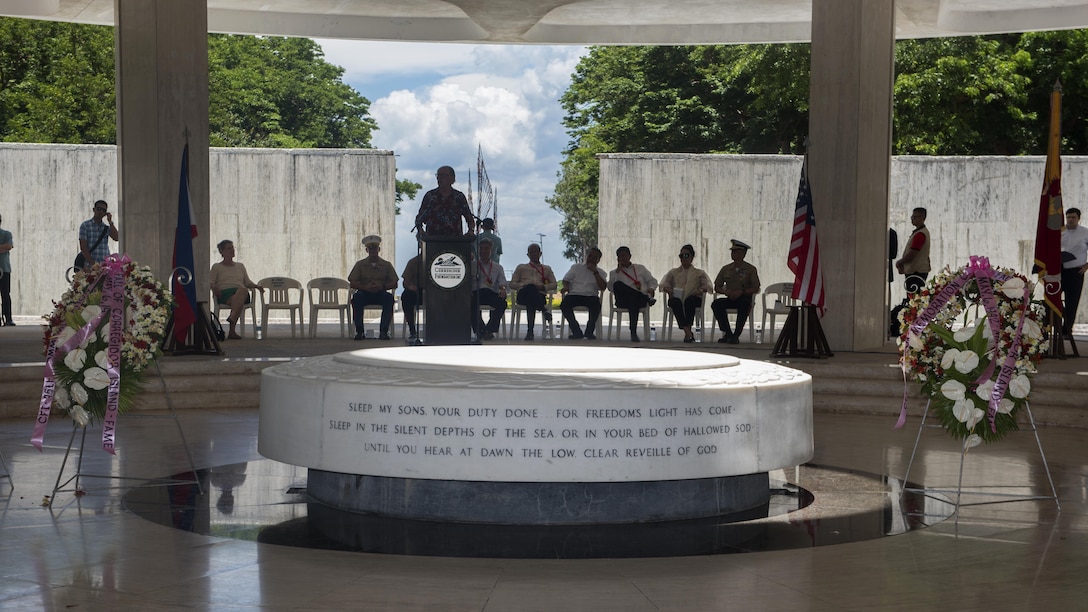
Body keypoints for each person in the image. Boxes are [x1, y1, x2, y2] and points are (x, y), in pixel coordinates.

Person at [209, 239, 264, 339]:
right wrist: (214, 287)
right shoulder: (216, 267)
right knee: (239, 297)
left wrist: (256, 286)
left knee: (242, 290)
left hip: (241, 292)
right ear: (222, 251)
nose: (232, 250)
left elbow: (247, 282)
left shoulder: (240, 266)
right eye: (229, 248)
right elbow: (211, 281)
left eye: (233, 248)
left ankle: (232, 316)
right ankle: (232, 331)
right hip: (225, 293)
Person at [348, 235, 399, 341]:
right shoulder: (360, 264)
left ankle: (384, 331)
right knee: (356, 299)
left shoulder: (386, 265)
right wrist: (364, 287)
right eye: (370, 249)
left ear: (379, 249)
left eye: (375, 248)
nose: (373, 251)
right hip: (364, 293)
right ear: (367, 250)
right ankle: (360, 331)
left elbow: (395, 283)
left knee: (389, 299)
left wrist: (383, 286)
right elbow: (352, 282)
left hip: (380, 292)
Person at [659, 244, 713, 343]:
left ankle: (687, 331)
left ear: (692, 257)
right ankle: (687, 331)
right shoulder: (673, 272)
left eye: (686, 255)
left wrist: (700, 290)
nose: (683, 258)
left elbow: (707, 286)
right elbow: (664, 284)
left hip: (693, 297)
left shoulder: (699, 273)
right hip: (677, 297)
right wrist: (669, 290)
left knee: (690, 301)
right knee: (675, 302)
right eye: (681, 256)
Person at [711, 239, 761, 344]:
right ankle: (728, 333)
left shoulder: (750, 269)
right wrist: (725, 292)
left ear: (743, 253)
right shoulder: (726, 269)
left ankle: (736, 334)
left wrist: (742, 292)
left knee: (744, 305)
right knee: (716, 304)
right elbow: (717, 286)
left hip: (743, 298)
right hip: (730, 297)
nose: (733, 254)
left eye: (736, 251)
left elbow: (756, 287)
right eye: (732, 251)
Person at [607, 246, 657, 342]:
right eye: (619, 257)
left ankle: (633, 332)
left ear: (630, 256)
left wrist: (651, 288)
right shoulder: (614, 273)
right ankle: (646, 298)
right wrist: (618, 272)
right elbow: (610, 288)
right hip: (623, 300)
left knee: (633, 300)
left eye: (624, 256)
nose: (622, 259)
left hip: (637, 301)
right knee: (618, 284)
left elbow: (652, 281)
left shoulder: (640, 268)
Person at [509, 243, 556, 340]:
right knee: (530, 288)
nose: (534, 254)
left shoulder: (547, 269)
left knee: (531, 300)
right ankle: (544, 311)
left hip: (539, 295)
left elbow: (554, 284)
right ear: (528, 255)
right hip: (523, 294)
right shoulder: (521, 267)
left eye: (536, 252)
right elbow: (512, 284)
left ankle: (530, 332)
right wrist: (523, 286)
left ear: (540, 253)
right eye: (532, 252)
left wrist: (543, 287)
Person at [560, 247, 607, 340]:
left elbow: (603, 287)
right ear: (587, 256)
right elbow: (566, 279)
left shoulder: (601, 272)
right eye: (590, 256)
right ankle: (576, 331)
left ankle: (589, 332)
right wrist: (566, 287)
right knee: (564, 305)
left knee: (596, 306)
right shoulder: (576, 267)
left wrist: (595, 272)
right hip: (575, 294)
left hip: (591, 296)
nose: (591, 259)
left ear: (598, 260)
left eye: (594, 257)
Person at [415, 166, 475, 238]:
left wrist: (471, 231)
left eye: (443, 175)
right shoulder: (430, 196)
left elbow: (469, 217)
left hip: (455, 240)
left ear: (452, 179)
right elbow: (420, 217)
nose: (440, 178)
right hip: (433, 240)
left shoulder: (459, 197)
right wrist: (421, 230)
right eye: (438, 176)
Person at [1061, 207, 1088, 337]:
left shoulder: (1085, 232)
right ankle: (1049, 327)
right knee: (1052, 299)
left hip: (1076, 272)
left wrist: (1087, 265)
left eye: (1073, 217)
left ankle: (1066, 330)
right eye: (1068, 217)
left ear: (1078, 218)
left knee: (1072, 302)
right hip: (1059, 271)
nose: (1070, 220)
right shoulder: (1060, 231)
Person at [473, 238, 507, 341]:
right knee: (469, 303)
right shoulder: (473, 265)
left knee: (502, 303)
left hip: (490, 292)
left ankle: (489, 329)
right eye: (481, 248)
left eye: (486, 248)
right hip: (476, 292)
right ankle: (480, 330)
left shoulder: (498, 267)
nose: (484, 251)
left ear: (491, 250)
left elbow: (502, 281)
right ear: (478, 250)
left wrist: (502, 289)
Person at [896, 207, 931, 294]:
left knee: (914, 299)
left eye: (915, 217)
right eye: (912, 217)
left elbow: (912, 254)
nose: (912, 219)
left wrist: (899, 262)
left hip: (916, 271)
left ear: (923, 217)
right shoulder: (918, 232)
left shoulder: (920, 234)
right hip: (915, 270)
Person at [78, 199, 119, 269]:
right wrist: (93, 264)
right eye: (99, 209)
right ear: (94, 209)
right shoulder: (85, 225)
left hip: (105, 265)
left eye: (104, 210)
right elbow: (83, 248)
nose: (101, 212)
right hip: (90, 265)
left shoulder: (106, 228)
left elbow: (117, 238)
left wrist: (110, 222)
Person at [400, 253, 423, 340]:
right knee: (406, 296)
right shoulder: (414, 262)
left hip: (435, 292)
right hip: (417, 291)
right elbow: (405, 282)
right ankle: (412, 329)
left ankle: (439, 328)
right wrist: (410, 287)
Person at [0, 214, 13, 326]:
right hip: (4, 267)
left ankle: (8, 318)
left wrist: (4, 247)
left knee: (5, 293)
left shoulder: (6, 234)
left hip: (4, 268)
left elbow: (9, 246)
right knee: (5, 293)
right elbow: (6, 247)